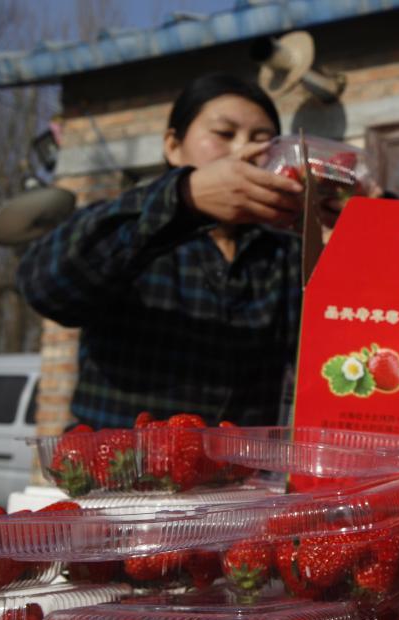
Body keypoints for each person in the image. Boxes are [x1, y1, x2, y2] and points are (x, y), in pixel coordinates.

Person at [18, 73, 306, 428]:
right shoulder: (127, 226)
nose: (242, 152)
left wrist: (350, 227)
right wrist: (185, 197)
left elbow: (335, 348)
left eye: (262, 142)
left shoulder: (284, 254)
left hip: (238, 463)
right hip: (118, 460)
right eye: (224, 133)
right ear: (173, 145)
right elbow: (45, 286)